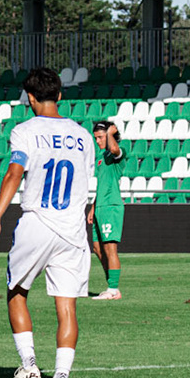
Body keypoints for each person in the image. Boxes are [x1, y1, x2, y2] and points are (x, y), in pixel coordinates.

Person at [0, 67, 94, 378]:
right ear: (59, 95)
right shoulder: (84, 136)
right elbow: (88, 185)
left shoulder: (25, 131)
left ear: (30, 98)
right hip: (72, 229)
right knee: (67, 305)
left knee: (16, 291)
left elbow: (15, 173)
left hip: (37, 221)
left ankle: (30, 365)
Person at [86, 119, 126, 298]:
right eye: (96, 138)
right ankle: (111, 286)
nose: (98, 141)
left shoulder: (117, 152)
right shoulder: (101, 158)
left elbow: (115, 150)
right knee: (97, 248)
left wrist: (110, 134)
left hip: (111, 206)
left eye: (101, 137)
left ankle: (113, 289)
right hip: (100, 206)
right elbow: (102, 184)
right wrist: (93, 206)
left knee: (110, 248)